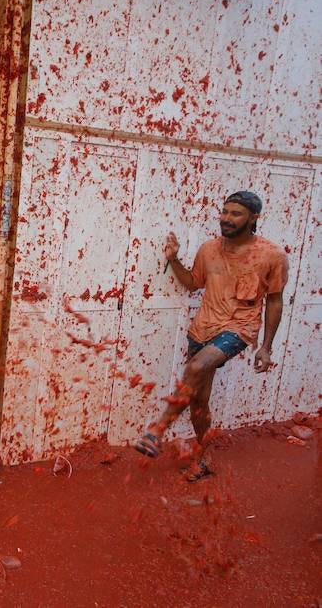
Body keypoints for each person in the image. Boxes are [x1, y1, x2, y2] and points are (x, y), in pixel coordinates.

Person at [134, 191, 288, 481]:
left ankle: (157, 431)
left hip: (238, 328)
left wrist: (266, 347)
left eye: (236, 213)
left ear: (253, 218)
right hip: (202, 328)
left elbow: (275, 300)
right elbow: (194, 283)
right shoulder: (208, 249)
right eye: (225, 212)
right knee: (198, 401)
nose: (226, 218)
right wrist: (174, 259)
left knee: (196, 367)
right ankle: (204, 459)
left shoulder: (272, 255)